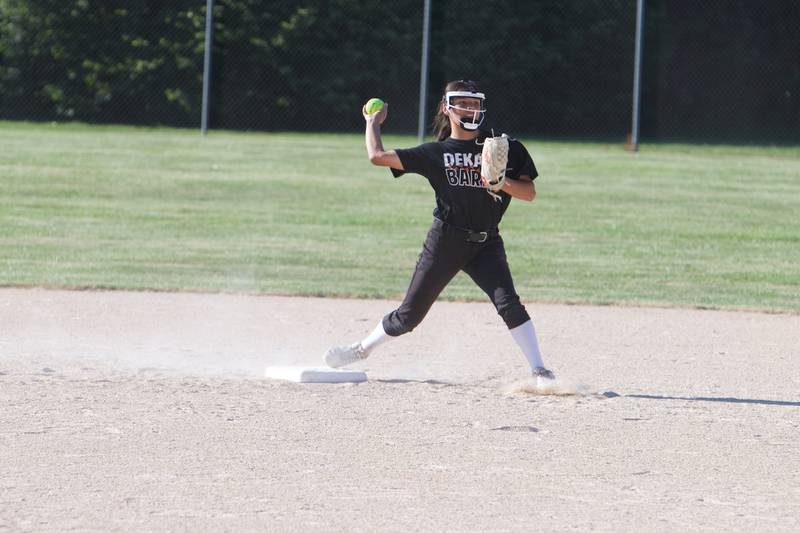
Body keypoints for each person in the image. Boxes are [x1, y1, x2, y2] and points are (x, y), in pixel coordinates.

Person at [323, 79, 555, 382]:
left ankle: (539, 369)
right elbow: (377, 156)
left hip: (487, 243)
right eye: (463, 103)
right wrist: (372, 123)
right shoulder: (437, 153)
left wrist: (502, 182)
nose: (470, 109)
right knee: (409, 316)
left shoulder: (502, 146)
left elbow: (529, 193)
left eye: (475, 103)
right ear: (447, 108)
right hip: (446, 241)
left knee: (509, 304)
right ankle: (361, 350)